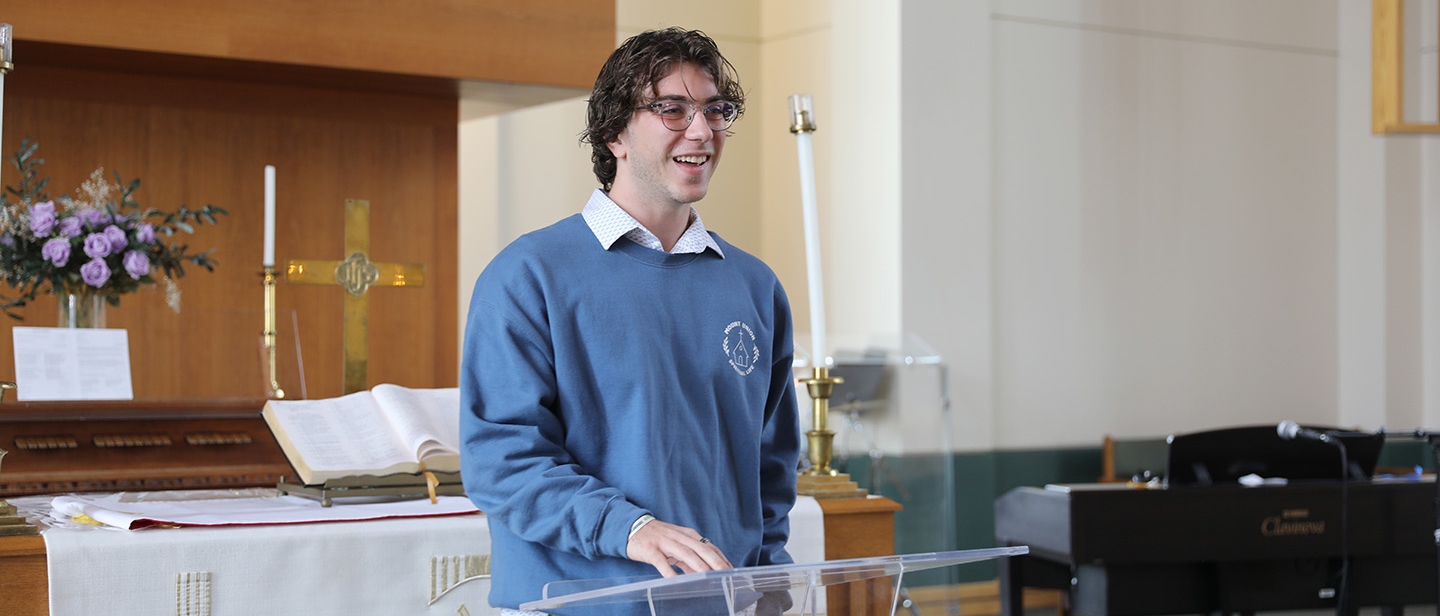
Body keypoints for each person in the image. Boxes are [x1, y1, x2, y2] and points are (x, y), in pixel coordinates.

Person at [459, 27, 802, 614]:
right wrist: (629, 528)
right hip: (579, 604)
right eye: (673, 109)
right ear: (614, 133)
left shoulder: (754, 286)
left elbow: (771, 466)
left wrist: (768, 585)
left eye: (715, 110)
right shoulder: (528, 275)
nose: (702, 130)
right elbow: (502, 461)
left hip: (717, 603)